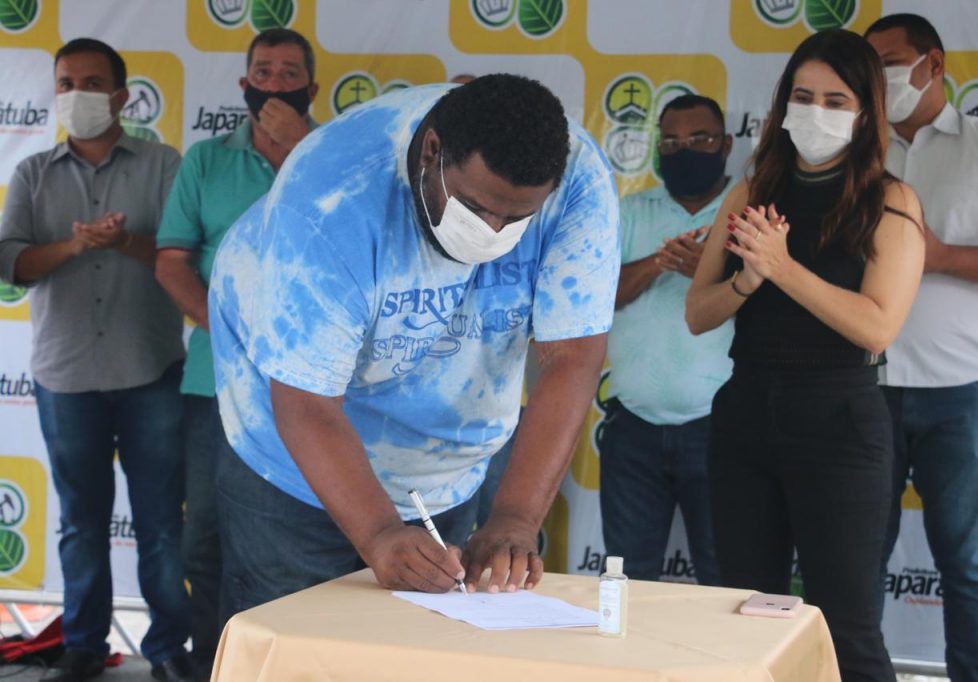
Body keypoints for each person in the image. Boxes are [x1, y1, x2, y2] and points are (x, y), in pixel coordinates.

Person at [208, 74, 619, 619]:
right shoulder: (329, 199)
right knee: (296, 639)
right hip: (295, 467)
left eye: (517, 219)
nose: (493, 232)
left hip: (445, 470)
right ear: (432, 151)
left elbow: (572, 358)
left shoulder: (578, 181)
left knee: (422, 639)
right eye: (475, 208)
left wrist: (516, 518)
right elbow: (306, 403)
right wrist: (379, 534)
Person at [686, 30, 924, 681]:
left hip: (839, 419)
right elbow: (698, 313)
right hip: (745, 414)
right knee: (744, 614)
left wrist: (782, 267)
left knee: (845, 627)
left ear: (866, 112)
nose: (816, 112)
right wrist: (747, 280)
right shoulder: (749, 192)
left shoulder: (891, 201)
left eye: (835, 101)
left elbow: (876, 328)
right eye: (803, 96)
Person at [0, 39, 193, 682]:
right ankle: (83, 644)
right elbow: (12, 263)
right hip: (66, 377)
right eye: (65, 83)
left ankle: (167, 648)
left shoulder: (164, 164)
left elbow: (180, 253)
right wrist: (76, 247)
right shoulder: (32, 172)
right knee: (80, 523)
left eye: (90, 83)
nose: (75, 94)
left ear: (120, 96)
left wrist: (124, 240)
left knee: (161, 524)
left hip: (151, 371)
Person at [153, 28, 318, 679]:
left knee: (309, 538)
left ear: (312, 87)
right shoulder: (206, 160)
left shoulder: (337, 153)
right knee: (205, 538)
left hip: (321, 388)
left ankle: (294, 665)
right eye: (264, 71)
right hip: (216, 383)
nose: (275, 83)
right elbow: (171, 262)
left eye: (289, 73)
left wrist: (302, 149)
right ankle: (213, 664)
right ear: (244, 84)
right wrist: (226, 333)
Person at [864, 14, 978, 681]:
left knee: (967, 563)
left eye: (891, 62)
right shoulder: (856, 153)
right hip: (864, 385)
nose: (881, 78)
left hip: (966, 391)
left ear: (934, 63)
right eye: (870, 66)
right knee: (854, 559)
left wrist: (937, 256)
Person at [598, 94, 734, 585]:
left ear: (726, 145)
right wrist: (662, 261)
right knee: (627, 580)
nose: (685, 151)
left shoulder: (747, 211)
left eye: (700, 139)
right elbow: (599, 296)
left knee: (725, 578)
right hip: (633, 428)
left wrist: (709, 272)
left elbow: (772, 305)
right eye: (672, 143)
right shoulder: (631, 211)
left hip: (721, 427)